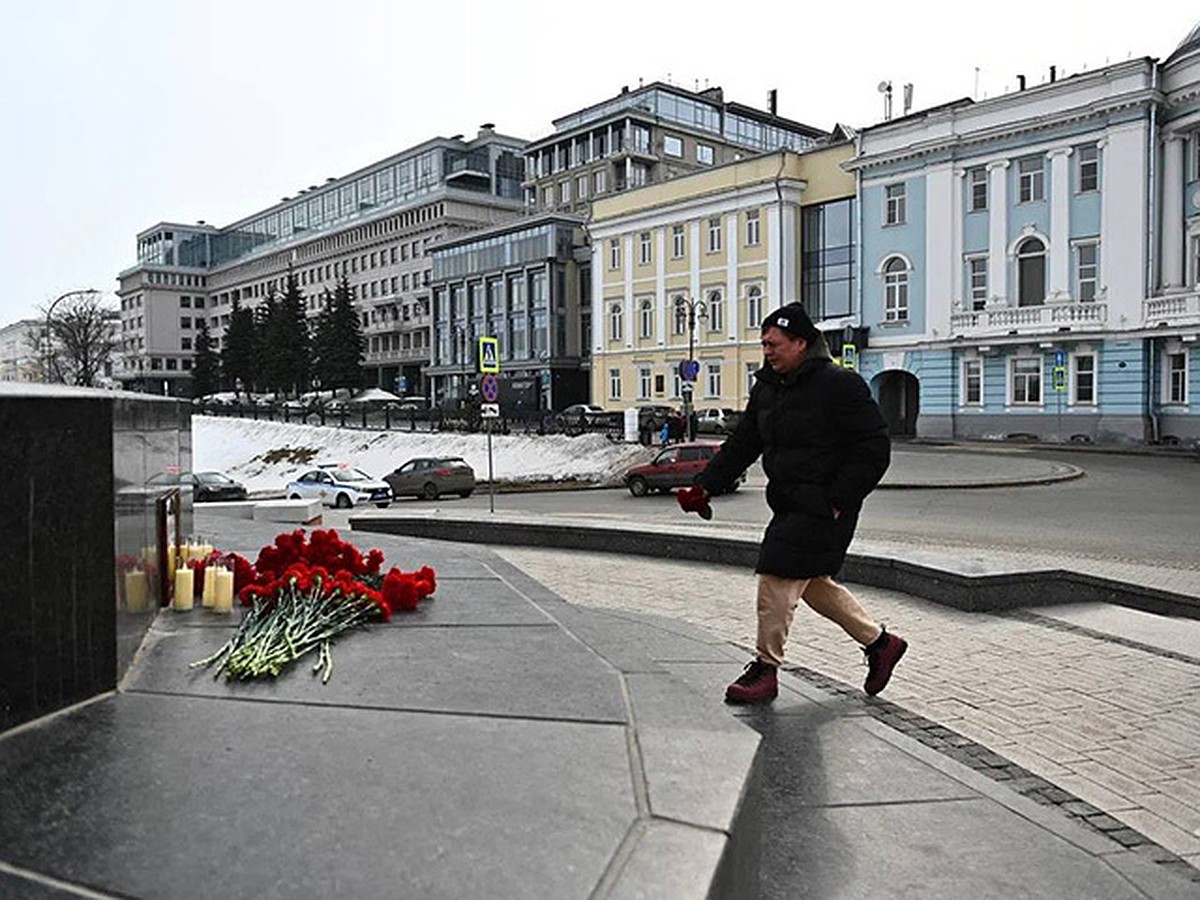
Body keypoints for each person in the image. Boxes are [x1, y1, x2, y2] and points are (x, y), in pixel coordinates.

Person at [677, 302, 906, 704]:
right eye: (764, 343)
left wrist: (839, 498)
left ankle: (765, 670)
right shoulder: (767, 388)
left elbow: (874, 447)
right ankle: (881, 643)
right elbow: (744, 443)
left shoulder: (840, 385)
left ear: (801, 343)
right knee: (814, 586)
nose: (766, 350)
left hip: (826, 507)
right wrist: (705, 485)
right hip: (788, 503)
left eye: (773, 343)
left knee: (777, 574)